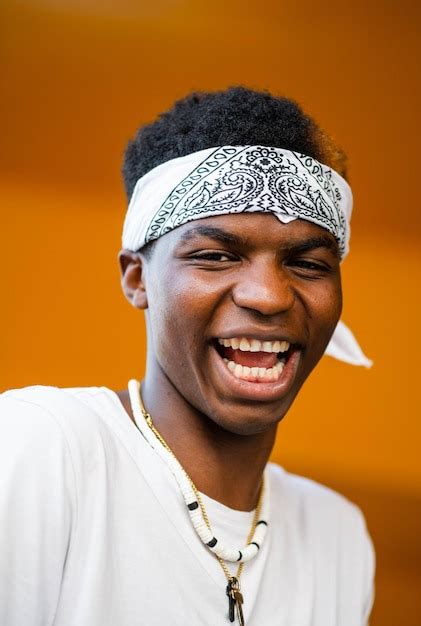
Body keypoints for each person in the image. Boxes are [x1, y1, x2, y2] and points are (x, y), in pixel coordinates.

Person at [0, 86, 375, 626]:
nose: (268, 296)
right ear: (137, 278)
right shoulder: (45, 449)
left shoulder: (338, 538)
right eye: (216, 256)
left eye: (308, 264)